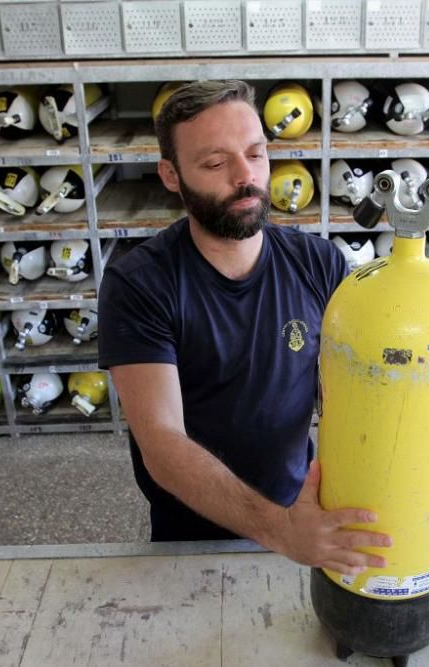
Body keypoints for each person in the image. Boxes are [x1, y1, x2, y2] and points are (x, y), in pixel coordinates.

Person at [97, 80, 391, 576]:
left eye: (256, 154)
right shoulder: (138, 283)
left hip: (306, 508)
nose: (245, 177)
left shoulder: (318, 263)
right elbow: (162, 444)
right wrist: (278, 530)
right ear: (171, 175)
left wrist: (410, 466)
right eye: (215, 163)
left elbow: (354, 393)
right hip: (191, 529)